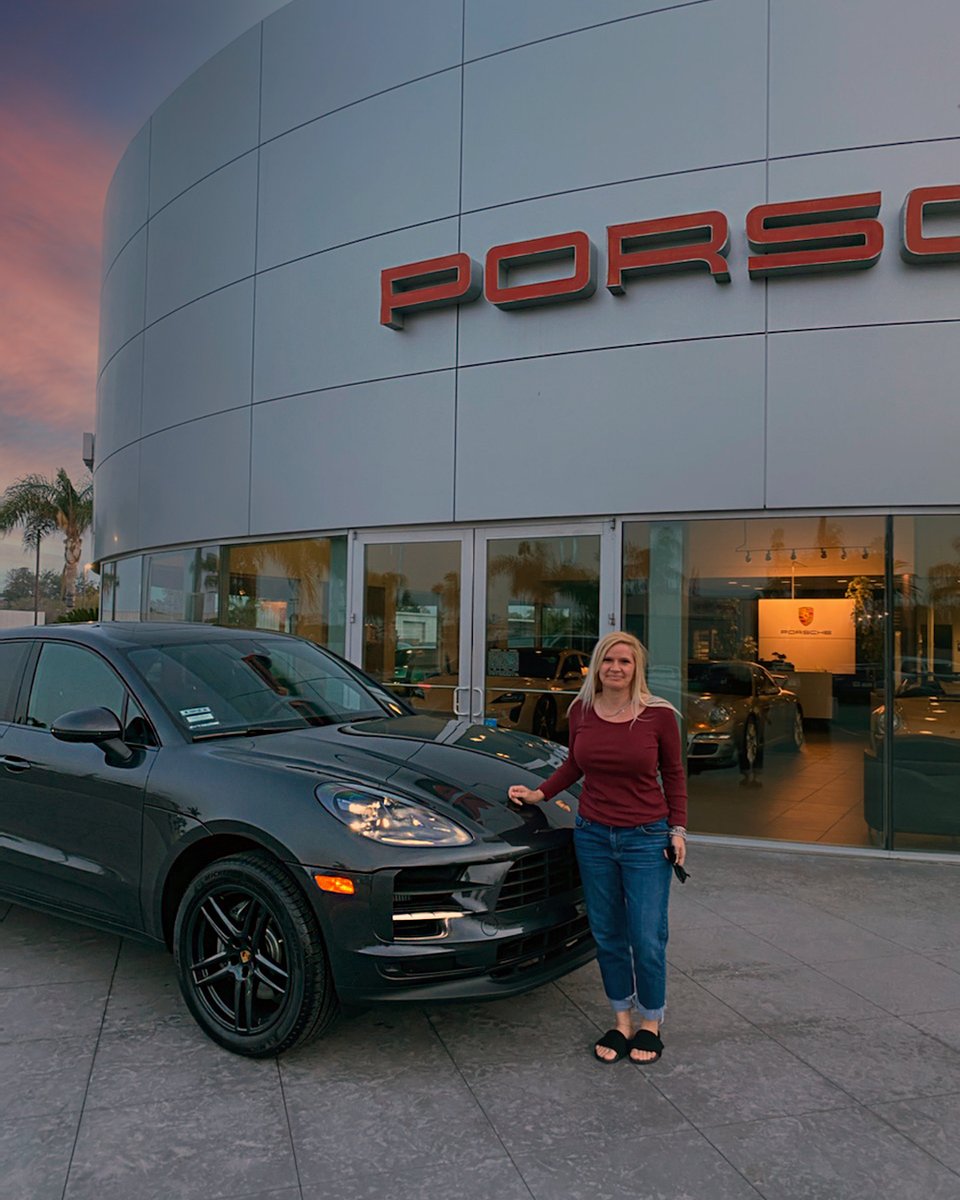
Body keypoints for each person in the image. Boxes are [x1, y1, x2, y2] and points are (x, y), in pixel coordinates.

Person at [507, 631, 687, 1065]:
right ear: (597, 666)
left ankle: (650, 1022)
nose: (616, 668)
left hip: (646, 837)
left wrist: (678, 830)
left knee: (646, 936)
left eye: (625, 661)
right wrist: (540, 794)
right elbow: (573, 763)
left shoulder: (659, 716)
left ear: (636, 668)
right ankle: (621, 1019)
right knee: (607, 934)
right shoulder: (581, 710)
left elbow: (675, 775)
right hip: (592, 835)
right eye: (608, 660)